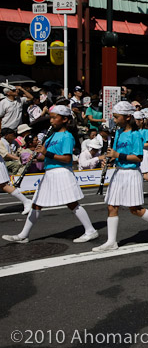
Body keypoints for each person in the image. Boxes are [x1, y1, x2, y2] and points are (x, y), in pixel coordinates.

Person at [2, 105, 98, 244]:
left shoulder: (67, 136)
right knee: (36, 204)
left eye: (54, 118)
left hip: (62, 172)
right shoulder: (51, 135)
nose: (51, 121)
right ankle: (23, 235)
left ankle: (90, 231)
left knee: (72, 203)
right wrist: (35, 157)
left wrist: (46, 153)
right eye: (51, 118)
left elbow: (66, 158)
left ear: (64, 119)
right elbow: (46, 157)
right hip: (49, 173)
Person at [92, 101, 148, 252]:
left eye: (116, 117)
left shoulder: (136, 135)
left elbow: (138, 158)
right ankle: (111, 241)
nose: (114, 120)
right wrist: (109, 160)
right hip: (119, 172)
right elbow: (115, 154)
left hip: (131, 173)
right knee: (111, 206)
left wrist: (118, 155)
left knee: (135, 209)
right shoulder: (118, 133)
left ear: (128, 117)